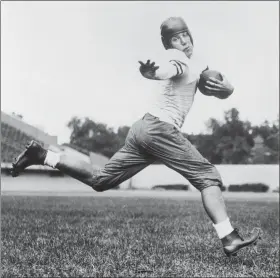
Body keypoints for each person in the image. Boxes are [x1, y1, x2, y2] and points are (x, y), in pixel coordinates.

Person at [11, 16, 260, 257]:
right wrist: (151, 74)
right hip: (160, 129)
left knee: (101, 180)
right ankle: (229, 237)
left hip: (143, 129)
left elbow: (214, 84)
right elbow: (167, 69)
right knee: (208, 177)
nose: (183, 41)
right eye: (176, 39)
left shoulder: (197, 63)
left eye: (185, 35)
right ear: (169, 45)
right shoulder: (177, 58)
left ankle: (42, 155)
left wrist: (229, 89)